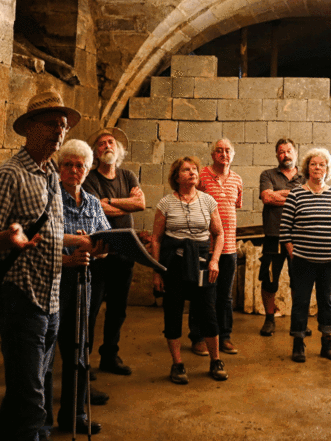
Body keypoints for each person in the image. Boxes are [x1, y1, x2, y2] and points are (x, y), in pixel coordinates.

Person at [0, 90, 79, 441]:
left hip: (50, 301)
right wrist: (7, 238)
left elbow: (50, 237)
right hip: (20, 299)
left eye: (63, 126)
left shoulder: (51, 175)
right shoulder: (9, 176)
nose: (59, 131)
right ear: (30, 128)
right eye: (52, 123)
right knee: (33, 401)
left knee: (23, 391)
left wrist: (78, 248)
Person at [43, 139, 108, 441]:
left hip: (84, 281)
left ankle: (75, 415)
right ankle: (40, 425)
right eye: (67, 164)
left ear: (87, 169)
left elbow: (104, 245)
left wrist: (96, 249)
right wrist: (72, 251)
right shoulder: (49, 197)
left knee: (79, 349)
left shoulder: (93, 203)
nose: (73, 170)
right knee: (46, 355)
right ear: (59, 167)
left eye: (79, 165)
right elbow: (42, 240)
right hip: (54, 280)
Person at [151, 156, 229, 384]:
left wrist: (214, 261)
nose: (192, 172)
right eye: (186, 170)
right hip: (173, 264)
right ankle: (177, 364)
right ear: (177, 177)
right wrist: (157, 271)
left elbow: (219, 234)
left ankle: (216, 360)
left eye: (195, 169)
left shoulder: (208, 201)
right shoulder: (165, 203)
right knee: (173, 313)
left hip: (203, 263)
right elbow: (156, 239)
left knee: (208, 312)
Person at [82, 127, 145, 376]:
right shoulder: (90, 179)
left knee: (118, 308)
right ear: (96, 153)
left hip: (125, 252)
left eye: (111, 142)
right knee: (92, 307)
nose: (107, 145)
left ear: (118, 149)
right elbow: (96, 209)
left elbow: (140, 203)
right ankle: (83, 362)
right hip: (100, 251)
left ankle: (110, 355)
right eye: (101, 144)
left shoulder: (128, 175)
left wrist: (111, 203)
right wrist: (123, 206)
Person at [280, 147, 331, 363]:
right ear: (307, 168)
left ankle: (326, 343)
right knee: (301, 301)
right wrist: (293, 252)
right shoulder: (296, 194)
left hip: (330, 261)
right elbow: (285, 228)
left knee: (326, 300)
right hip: (303, 260)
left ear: (327, 169)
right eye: (313, 164)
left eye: (322, 164)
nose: (317, 167)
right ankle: (298, 343)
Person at [188, 139, 243, 357]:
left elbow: (235, 206)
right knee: (201, 294)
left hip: (229, 248)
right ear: (213, 155)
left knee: (225, 295)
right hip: (205, 247)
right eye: (219, 151)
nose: (223, 154)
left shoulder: (237, 179)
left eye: (227, 150)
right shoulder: (201, 175)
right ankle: (198, 337)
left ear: (233, 154)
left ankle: (224, 336)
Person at [258, 138, 304, 336]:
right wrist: (295, 197)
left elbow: (309, 201)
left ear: (296, 153)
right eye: (281, 152)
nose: (286, 154)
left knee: (300, 281)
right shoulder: (267, 174)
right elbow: (267, 197)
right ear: (277, 155)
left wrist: (280, 195)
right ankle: (269, 319)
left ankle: (298, 321)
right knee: (269, 280)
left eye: (289, 150)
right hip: (273, 236)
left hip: (300, 237)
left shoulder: (306, 176)